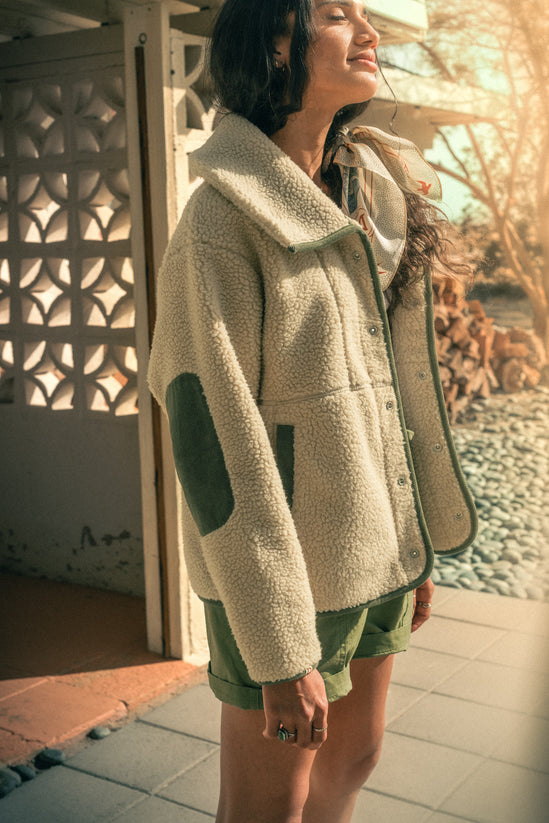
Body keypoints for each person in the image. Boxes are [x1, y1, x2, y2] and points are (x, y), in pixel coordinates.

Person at [148, 1, 477, 821]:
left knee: (354, 758)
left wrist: (413, 541)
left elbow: (395, 386)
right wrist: (276, 642)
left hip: (375, 546)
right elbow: (211, 439)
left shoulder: (370, 199)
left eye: (366, 14)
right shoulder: (220, 220)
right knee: (268, 804)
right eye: (336, 15)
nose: (368, 32)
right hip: (284, 574)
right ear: (275, 43)